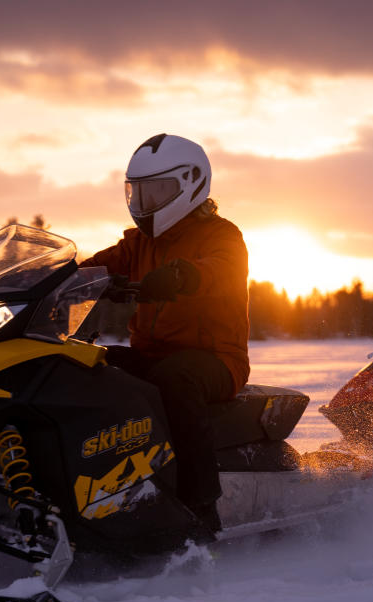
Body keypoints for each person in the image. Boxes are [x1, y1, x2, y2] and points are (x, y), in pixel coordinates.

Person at [79, 134, 249, 535]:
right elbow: (94, 268)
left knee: (175, 379)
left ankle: (200, 507)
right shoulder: (137, 242)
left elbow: (219, 268)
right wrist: (56, 279)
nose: (146, 203)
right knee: (85, 366)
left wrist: (181, 275)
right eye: (139, 192)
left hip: (215, 360)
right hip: (154, 356)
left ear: (191, 183)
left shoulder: (222, 236)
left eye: (157, 191)